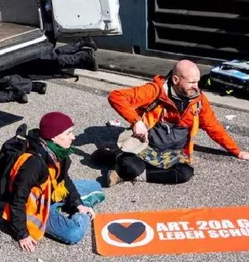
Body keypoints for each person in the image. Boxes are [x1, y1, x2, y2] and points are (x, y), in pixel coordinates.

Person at [96, 59, 249, 186]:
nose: (196, 87)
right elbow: (116, 96)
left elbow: (213, 126)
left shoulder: (198, 100)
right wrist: (136, 121)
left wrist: (237, 151)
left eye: (197, 82)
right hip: (146, 147)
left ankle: (131, 174)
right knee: (131, 166)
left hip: (174, 153)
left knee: (185, 173)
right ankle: (114, 156)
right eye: (191, 83)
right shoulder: (155, 91)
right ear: (176, 80)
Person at [1, 112, 105, 252]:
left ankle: (79, 205)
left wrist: (79, 205)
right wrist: (22, 234)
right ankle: (80, 209)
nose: (73, 137)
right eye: (69, 133)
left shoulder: (57, 151)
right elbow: (17, 200)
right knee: (74, 233)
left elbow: (64, 179)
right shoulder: (33, 164)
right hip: (38, 208)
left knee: (96, 186)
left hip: (52, 192)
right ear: (54, 137)